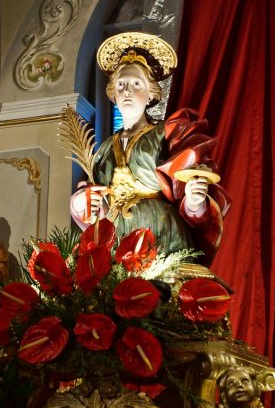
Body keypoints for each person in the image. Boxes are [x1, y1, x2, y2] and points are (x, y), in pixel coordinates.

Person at [70, 32, 229, 262]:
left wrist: (194, 201)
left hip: (160, 233)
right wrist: (82, 203)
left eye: (136, 84)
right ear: (113, 93)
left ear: (151, 94)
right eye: (121, 84)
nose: (127, 91)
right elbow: (97, 204)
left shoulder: (168, 133)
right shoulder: (104, 148)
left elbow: (185, 185)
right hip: (116, 238)